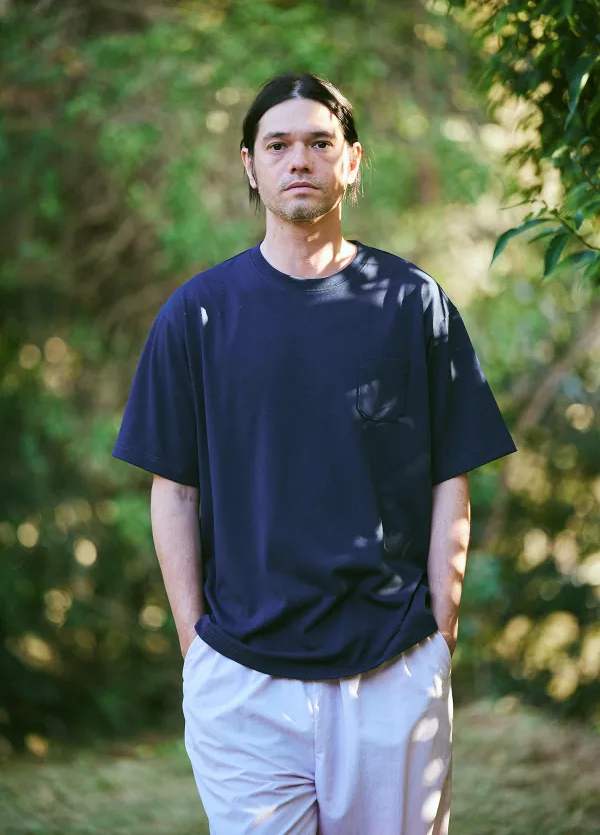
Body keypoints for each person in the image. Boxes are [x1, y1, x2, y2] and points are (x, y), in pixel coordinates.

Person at [112, 72, 518, 834]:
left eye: (319, 143)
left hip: (393, 669)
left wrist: (439, 639)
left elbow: (450, 479)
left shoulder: (411, 302)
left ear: (352, 161)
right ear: (249, 165)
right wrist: (196, 645)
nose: (299, 159)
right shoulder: (198, 313)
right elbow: (175, 490)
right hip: (243, 679)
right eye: (278, 145)